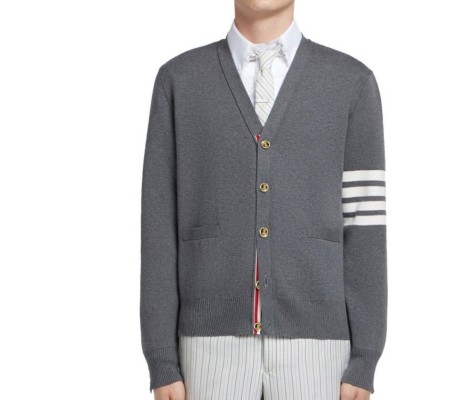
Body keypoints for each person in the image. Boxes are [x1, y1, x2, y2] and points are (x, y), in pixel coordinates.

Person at [140, 1, 387, 399]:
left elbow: (365, 225)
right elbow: (158, 226)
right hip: (207, 346)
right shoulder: (180, 81)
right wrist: (161, 359)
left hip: (319, 347)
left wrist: (365, 358)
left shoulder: (350, 83)